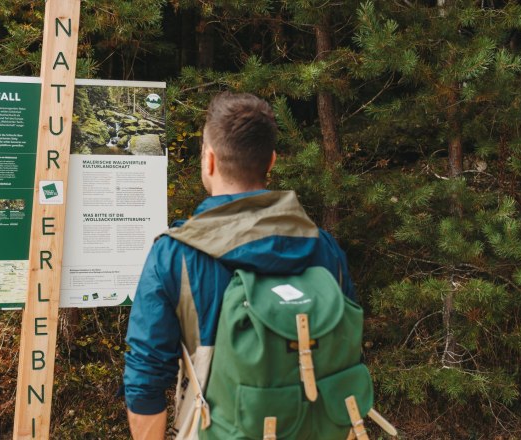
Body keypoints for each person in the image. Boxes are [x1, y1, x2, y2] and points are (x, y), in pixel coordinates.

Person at [123, 92, 356, 440]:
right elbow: (346, 351)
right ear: (272, 161)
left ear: (209, 160)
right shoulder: (324, 248)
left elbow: (145, 376)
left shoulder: (175, 253)